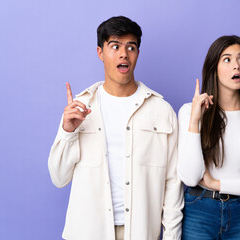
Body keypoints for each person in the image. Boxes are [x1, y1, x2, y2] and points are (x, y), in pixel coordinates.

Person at [48, 16, 183, 240]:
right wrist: (67, 132)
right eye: (115, 46)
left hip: (140, 233)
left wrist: (172, 237)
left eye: (131, 47)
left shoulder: (162, 111)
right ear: (100, 53)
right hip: (89, 232)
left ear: (137, 53)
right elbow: (58, 177)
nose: (124, 54)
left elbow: (173, 184)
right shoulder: (81, 107)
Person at [177, 35, 240, 239]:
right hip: (199, 210)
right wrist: (195, 120)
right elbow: (190, 177)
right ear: (213, 68)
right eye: (227, 59)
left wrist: (217, 184)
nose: (237, 66)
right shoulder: (189, 111)